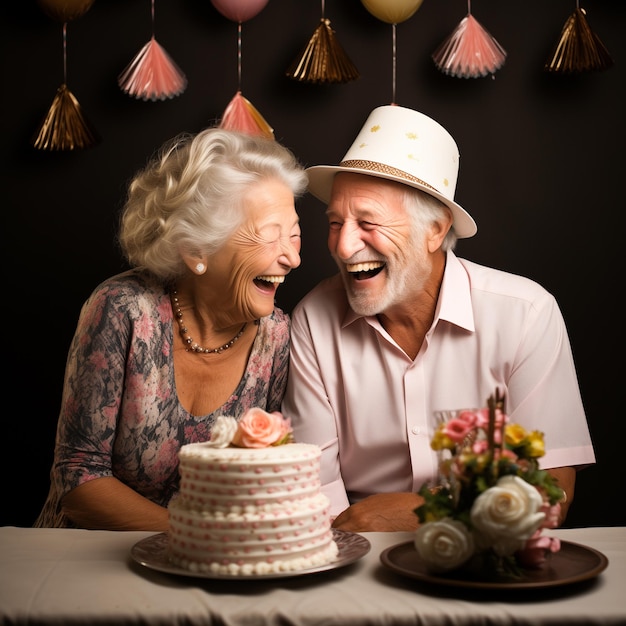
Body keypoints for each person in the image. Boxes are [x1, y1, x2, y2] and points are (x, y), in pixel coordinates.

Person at [282, 104, 595, 532]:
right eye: (336, 222)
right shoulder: (313, 321)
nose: (343, 245)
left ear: (435, 230)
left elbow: (553, 488)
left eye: (368, 221)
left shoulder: (526, 313)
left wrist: (426, 514)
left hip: (486, 555)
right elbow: (312, 490)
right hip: (350, 552)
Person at [35, 127, 307, 531]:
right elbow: (77, 480)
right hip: (89, 558)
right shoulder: (122, 309)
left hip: (209, 565)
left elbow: (263, 475)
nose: (292, 258)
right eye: (270, 237)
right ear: (197, 249)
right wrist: (194, 535)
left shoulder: (276, 335)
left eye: (295, 235)